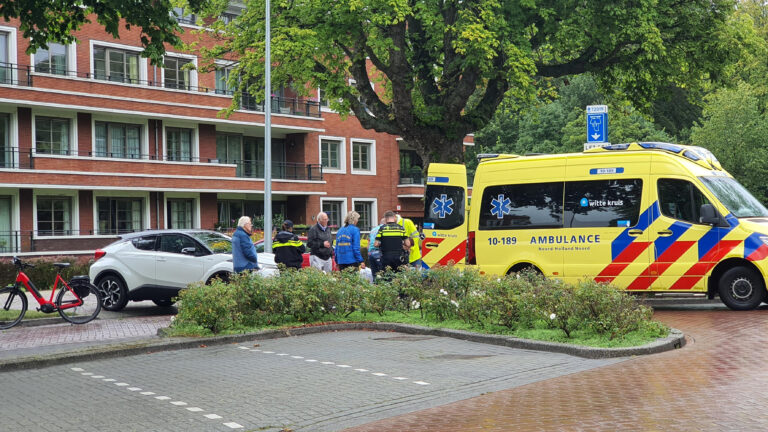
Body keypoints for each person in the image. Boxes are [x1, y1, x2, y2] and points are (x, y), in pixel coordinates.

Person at [375, 210, 411, 276]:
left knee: (387, 276)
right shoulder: (401, 228)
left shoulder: (382, 229)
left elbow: (376, 244)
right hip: (398, 257)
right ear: (394, 217)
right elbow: (408, 244)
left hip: (386, 257)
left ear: (385, 218)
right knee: (398, 276)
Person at [367, 217, 386, 281]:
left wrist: (368, 252)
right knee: (381, 274)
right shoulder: (383, 229)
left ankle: (375, 288)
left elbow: (369, 242)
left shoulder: (373, 230)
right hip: (378, 252)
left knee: (374, 274)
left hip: (371, 253)